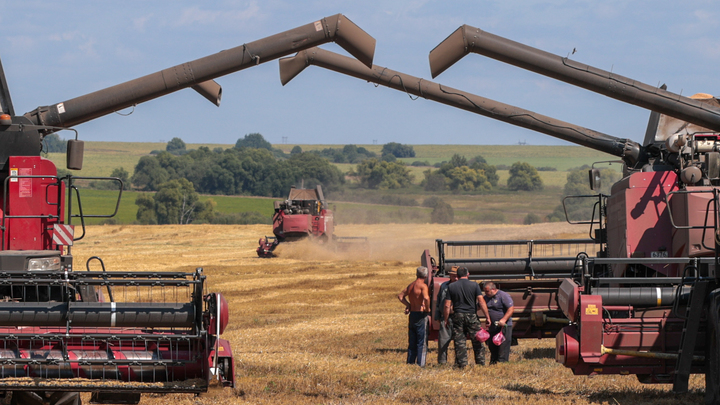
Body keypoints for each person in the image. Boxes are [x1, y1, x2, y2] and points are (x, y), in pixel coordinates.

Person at [443, 267, 491, 368]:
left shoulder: (451, 286)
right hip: (472, 316)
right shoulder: (474, 285)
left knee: (460, 342)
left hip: (458, 316)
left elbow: (447, 305)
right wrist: (487, 317)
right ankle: (481, 363)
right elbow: (481, 302)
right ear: (468, 274)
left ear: (458, 275)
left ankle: (462, 364)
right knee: (478, 340)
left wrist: (446, 319)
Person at [398, 266, 430, 366]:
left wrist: (408, 305)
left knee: (412, 340)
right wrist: (427, 309)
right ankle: (421, 364)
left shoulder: (411, 285)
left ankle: (410, 362)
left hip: (412, 314)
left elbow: (400, 296)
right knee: (422, 341)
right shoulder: (423, 286)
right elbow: (426, 298)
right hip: (421, 314)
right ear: (426, 275)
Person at [482, 281, 515, 364]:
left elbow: (511, 309)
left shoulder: (503, 296)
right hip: (493, 326)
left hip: (503, 327)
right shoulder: (486, 298)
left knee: (503, 347)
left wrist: (503, 320)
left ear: (493, 289)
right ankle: (493, 363)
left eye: (487, 291)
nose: (486, 293)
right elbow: (479, 306)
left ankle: (502, 364)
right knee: (492, 347)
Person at [435, 266, 458, 364]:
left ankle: (459, 362)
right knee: (443, 341)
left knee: (459, 342)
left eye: (457, 276)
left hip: (458, 316)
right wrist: (437, 315)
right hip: (445, 316)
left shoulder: (461, 286)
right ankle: (442, 362)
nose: (455, 278)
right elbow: (439, 300)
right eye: (453, 276)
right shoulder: (444, 285)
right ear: (450, 275)